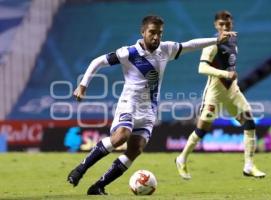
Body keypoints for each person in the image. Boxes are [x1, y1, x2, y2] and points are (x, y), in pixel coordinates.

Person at [67, 15, 236, 195]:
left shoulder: (166, 49)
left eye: (159, 33)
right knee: (120, 137)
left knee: (135, 150)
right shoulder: (128, 53)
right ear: (143, 32)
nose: (156, 37)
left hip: (148, 111)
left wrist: (216, 40)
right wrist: (83, 85)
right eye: (152, 33)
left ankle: (98, 186)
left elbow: (190, 44)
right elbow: (98, 61)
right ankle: (80, 169)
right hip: (128, 105)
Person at [175, 10, 266, 180]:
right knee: (202, 130)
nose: (225, 27)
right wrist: (225, 74)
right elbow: (201, 68)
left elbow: (229, 65)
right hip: (214, 93)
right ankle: (181, 159)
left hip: (232, 91)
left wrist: (230, 76)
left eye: (228, 24)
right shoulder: (212, 44)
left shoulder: (233, 42)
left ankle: (249, 166)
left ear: (232, 24)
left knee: (249, 123)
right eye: (221, 24)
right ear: (216, 26)